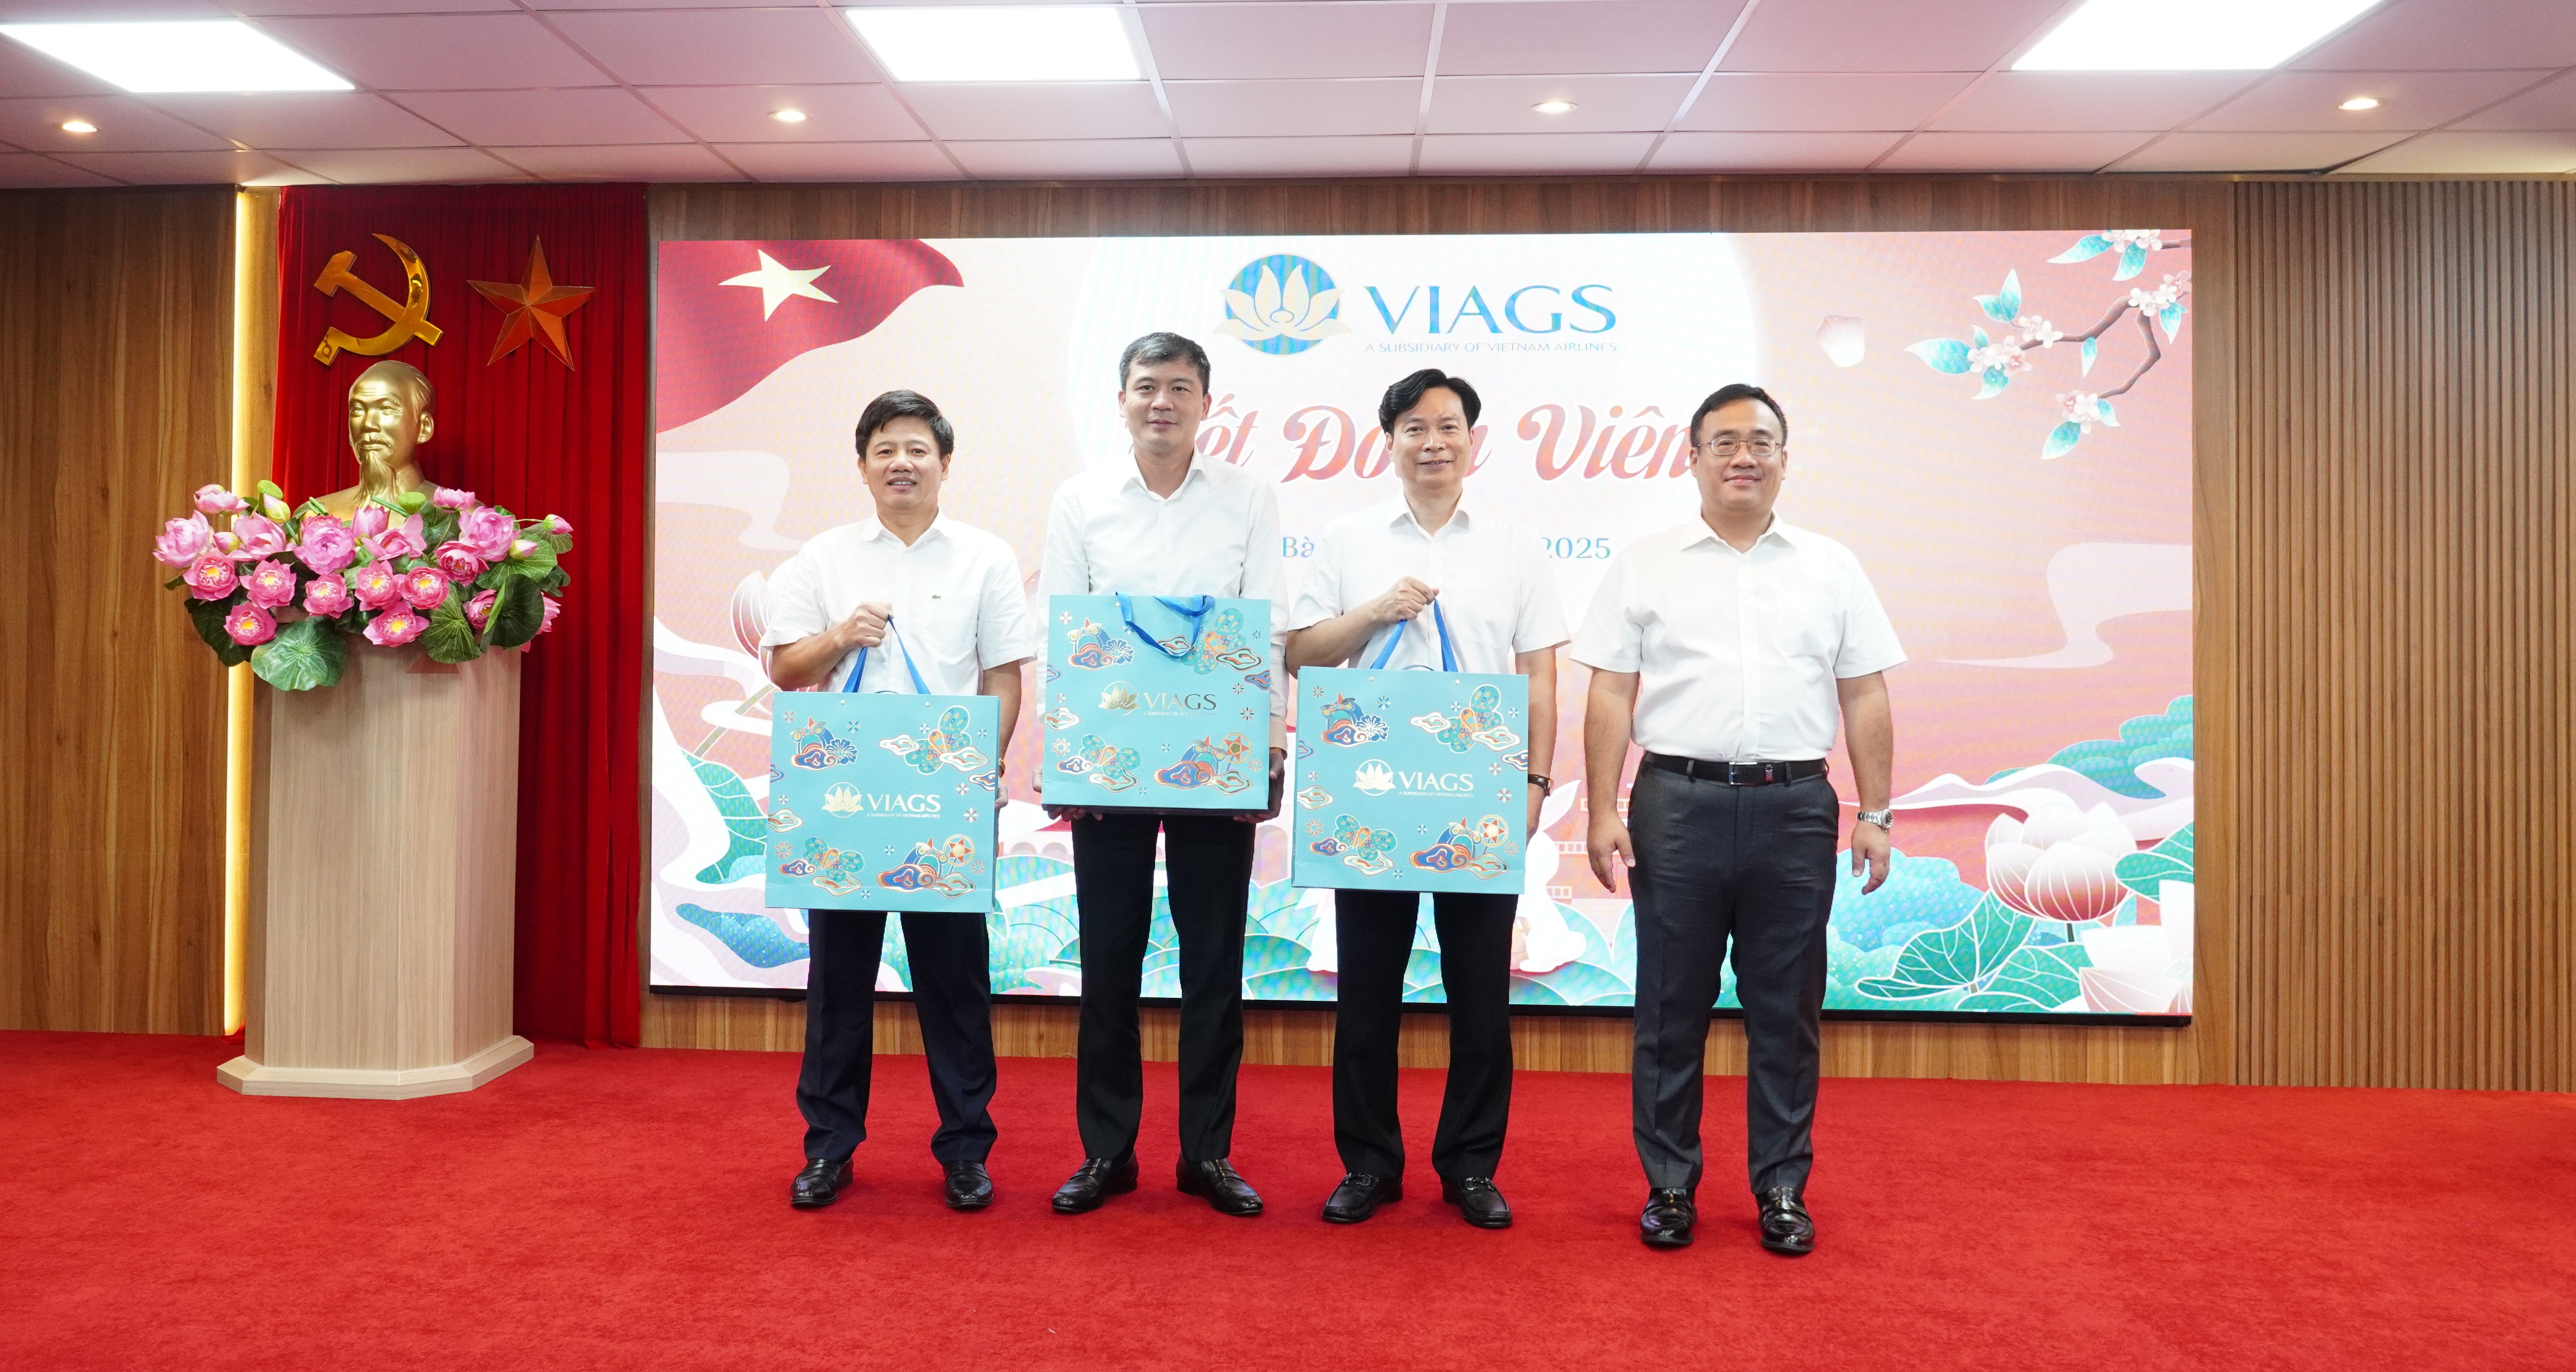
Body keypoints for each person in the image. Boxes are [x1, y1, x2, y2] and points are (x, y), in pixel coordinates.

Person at [1573, 383, 1901, 1256]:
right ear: (1693, 458)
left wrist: (1877, 810)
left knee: (1786, 1010)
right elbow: (1611, 691)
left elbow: (1864, 692)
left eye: (1761, 441)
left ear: (1786, 459)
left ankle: (1781, 1188)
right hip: (1675, 804)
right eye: (1723, 442)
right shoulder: (1645, 563)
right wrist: (1601, 808)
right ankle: (1669, 1185)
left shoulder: (1831, 565)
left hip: (1796, 808)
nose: (1743, 456)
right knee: (1669, 1004)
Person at [1284, 369, 1564, 1230]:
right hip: (1370, 792)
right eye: (1414, 427)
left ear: (1474, 441)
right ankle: (1369, 1164)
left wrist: (1534, 784)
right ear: (1389, 441)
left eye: (1448, 426)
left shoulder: (1515, 545)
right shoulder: (1347, 540)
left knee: (1480, 992)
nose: (1432, 441)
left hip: (1476, 790)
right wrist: (1377, 609)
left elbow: (1540, 674)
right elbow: (1301, 654)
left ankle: (1471, 1165)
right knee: (1367, 990)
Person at [760, 389, 1038, 1213]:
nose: (901, 463)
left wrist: (980, 771)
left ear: (945, 463)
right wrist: (841, 635)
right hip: (844, 803)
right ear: (862, 466)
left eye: (918, 448)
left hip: (941, 805)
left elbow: (1003, 675)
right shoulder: (822, 557)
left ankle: (966, 1151)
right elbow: (785, 669)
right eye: (885, 449)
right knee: (838, 986)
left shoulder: (985, 557)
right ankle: (829, 1148)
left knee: (956, 985)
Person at [1041, 331, 1287, 1218]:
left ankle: (1206, 1154)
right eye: (1147, 386)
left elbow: (1267, 629)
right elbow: (1063, 630)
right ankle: (1107, 1152)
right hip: (1108, 762)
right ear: (1121, 400)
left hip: (1216, 763)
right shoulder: (1081, 500)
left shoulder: (1249, 498)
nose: (1162, 403)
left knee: (1214, 963)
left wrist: (1268, 749)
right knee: (1109, 958)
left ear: (1205, 403)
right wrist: (1062, 757)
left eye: (1181, 388)